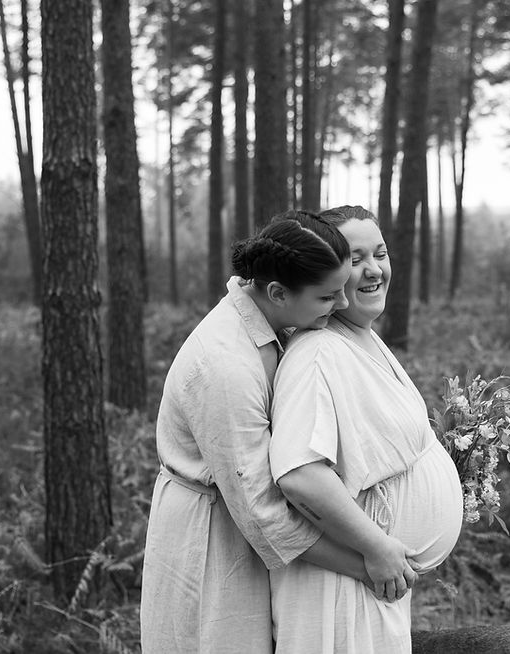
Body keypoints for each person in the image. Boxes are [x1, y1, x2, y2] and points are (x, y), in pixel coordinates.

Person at [139, 211, 416, 654]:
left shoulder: (269, 320)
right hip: (212, 538)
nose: (342, 304)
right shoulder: (226, 366)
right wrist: (368, 561)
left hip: (243, 523)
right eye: (328, 297)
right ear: (276, 292)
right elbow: (261, 509)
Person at [268, 205, 464, 653]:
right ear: (329, 272)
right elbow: (299, 474)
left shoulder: (362, 336)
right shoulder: (316, 353)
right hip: (340, 584)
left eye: (380, 253)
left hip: (376, 578)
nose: (373, 269)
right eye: (355, 259)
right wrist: (376, 547)